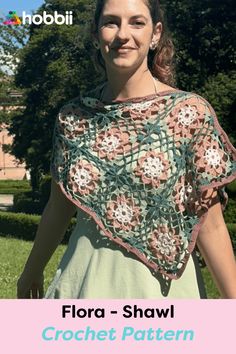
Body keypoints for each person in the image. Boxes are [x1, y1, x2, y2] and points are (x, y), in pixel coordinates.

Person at [17, 0, 236, 299]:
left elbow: (209, 224)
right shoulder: (73, 118)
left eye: (136, 22)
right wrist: (31, 271)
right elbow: (59, 206)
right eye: (111, 22)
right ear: (96, 34)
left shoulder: (189, 115)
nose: (123, 34)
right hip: (83, 290)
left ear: (155, 34)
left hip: (163, 297)